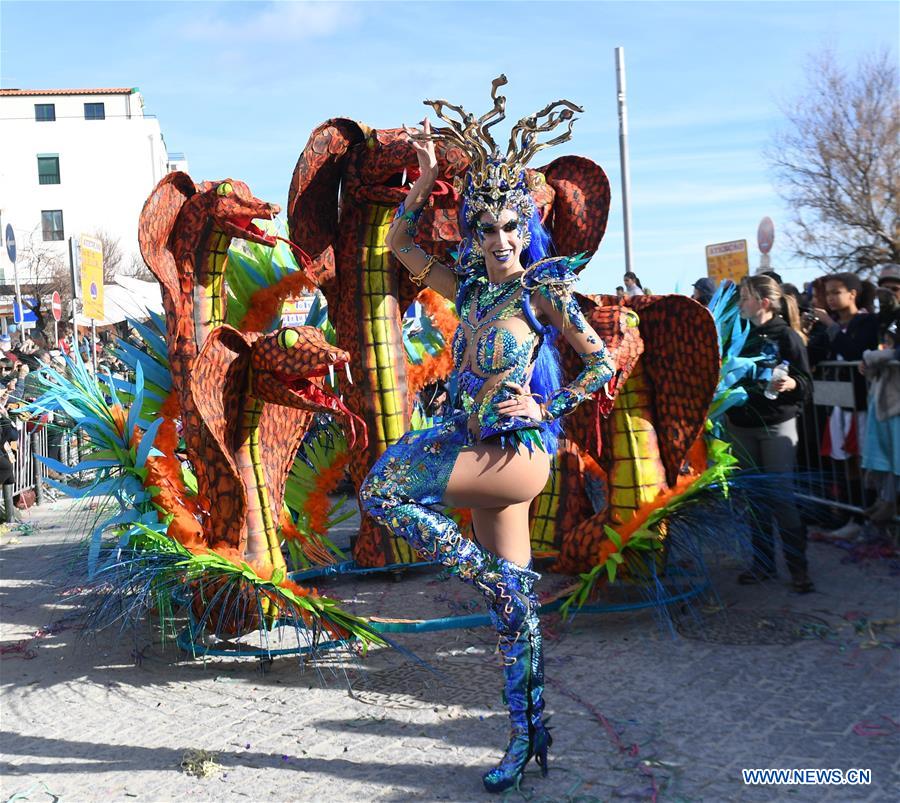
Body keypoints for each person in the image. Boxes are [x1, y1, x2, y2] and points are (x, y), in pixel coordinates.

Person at [360, 83, 615, 793]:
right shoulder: (471, 289)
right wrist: (430, 175)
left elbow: (601, 359)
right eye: (484, 228)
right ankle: (526, 738)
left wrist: (552, 403)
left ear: (525, 223)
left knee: (380, 489)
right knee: (512, 614)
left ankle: (497, 578)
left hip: (515, 455)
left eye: (510, 226)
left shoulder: (542, 289)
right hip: (480, 450)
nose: (499, 241)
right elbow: (400, 244)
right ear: (471, 233)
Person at [725, 275, 814, 592]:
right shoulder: (737, 333)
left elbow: (806, 384)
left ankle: (798, 568)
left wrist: (792, 384)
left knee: (781, 498)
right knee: (754, 498)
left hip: (776, 425)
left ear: (763, 302)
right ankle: (762, 565)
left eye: (745, 296)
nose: (740, 302)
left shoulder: (787, 336)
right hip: (741, 425)